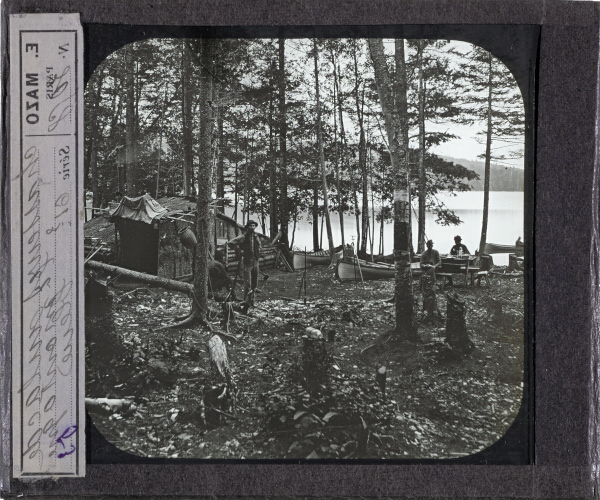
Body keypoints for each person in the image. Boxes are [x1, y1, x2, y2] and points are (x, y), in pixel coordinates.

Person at [227, 220, 262, 305]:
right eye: (251, 226)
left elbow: (260, 246)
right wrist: (239, 250)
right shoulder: (243, 237)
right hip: (247, 262)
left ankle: (252, 301)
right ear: (247, 227)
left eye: (254, 226)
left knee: (255, 283)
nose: (252, 227)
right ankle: (246, 301)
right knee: (248, 284)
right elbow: (230, 243)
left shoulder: (256, 236)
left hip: (256, 261)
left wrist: (259, 251)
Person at [420, 239, 443, 320]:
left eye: (431, 245)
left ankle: (434, 310)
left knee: (433, 290)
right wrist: (426, 266)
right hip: (426, 273)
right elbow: (421, 264)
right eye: (429, 245)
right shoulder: (424, 254)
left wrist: (434, 266)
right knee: (426, 291)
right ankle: (426, 309)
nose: (430, 246)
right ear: (427, 245)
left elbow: (439, 262)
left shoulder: (435, 252)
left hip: (433, 273)